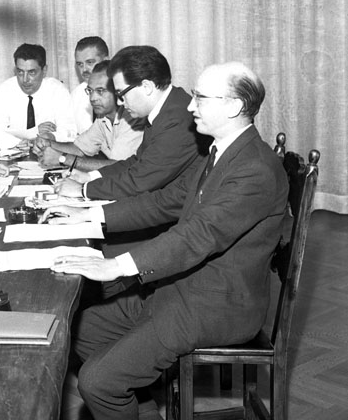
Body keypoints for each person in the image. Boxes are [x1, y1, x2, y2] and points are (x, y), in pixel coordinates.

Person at [43, 62, 288, 420]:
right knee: (76, 329)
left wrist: (116, 266)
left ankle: (120, 396)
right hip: (181, 286)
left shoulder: (255, 169)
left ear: (234, 106)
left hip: (217, 302)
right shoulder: (220, 151)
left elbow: (197, 236)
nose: (189, 105)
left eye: (200, 98)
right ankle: (142, 412)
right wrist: (90, 215)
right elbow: (166, 201)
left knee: (97, 382)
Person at [58, 46, 207, 200]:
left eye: (121, 93)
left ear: (147, 87)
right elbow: (137, 163)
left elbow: (141, 180)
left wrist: (83, 190)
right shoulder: (165, 109)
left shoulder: (176, 118)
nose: (120, 102)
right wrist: (90, 176)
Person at [33, 60, 146, 172]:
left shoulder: (132, 118)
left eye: (100, 91)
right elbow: (79, 148)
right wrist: (48, 143)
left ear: (117, 91)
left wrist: (63, 158)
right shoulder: (103, 117)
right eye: (90, 90)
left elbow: (119, 168)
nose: (92, 98)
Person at [0, 43, 77, 142]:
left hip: (49, 149)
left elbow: (70, 132)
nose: (25, 79)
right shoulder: (2, 92)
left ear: (44, 70)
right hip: (13, 150)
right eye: (20, 72)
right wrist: (33, 132)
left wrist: (50, 136)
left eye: (31, 72)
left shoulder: (58, 91)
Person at [71, 37, 110, 134]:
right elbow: (70, 131)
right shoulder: (77, 94)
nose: (84, 69)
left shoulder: (120, 92)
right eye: (80, 64)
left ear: (105, 60)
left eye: (90, 62)